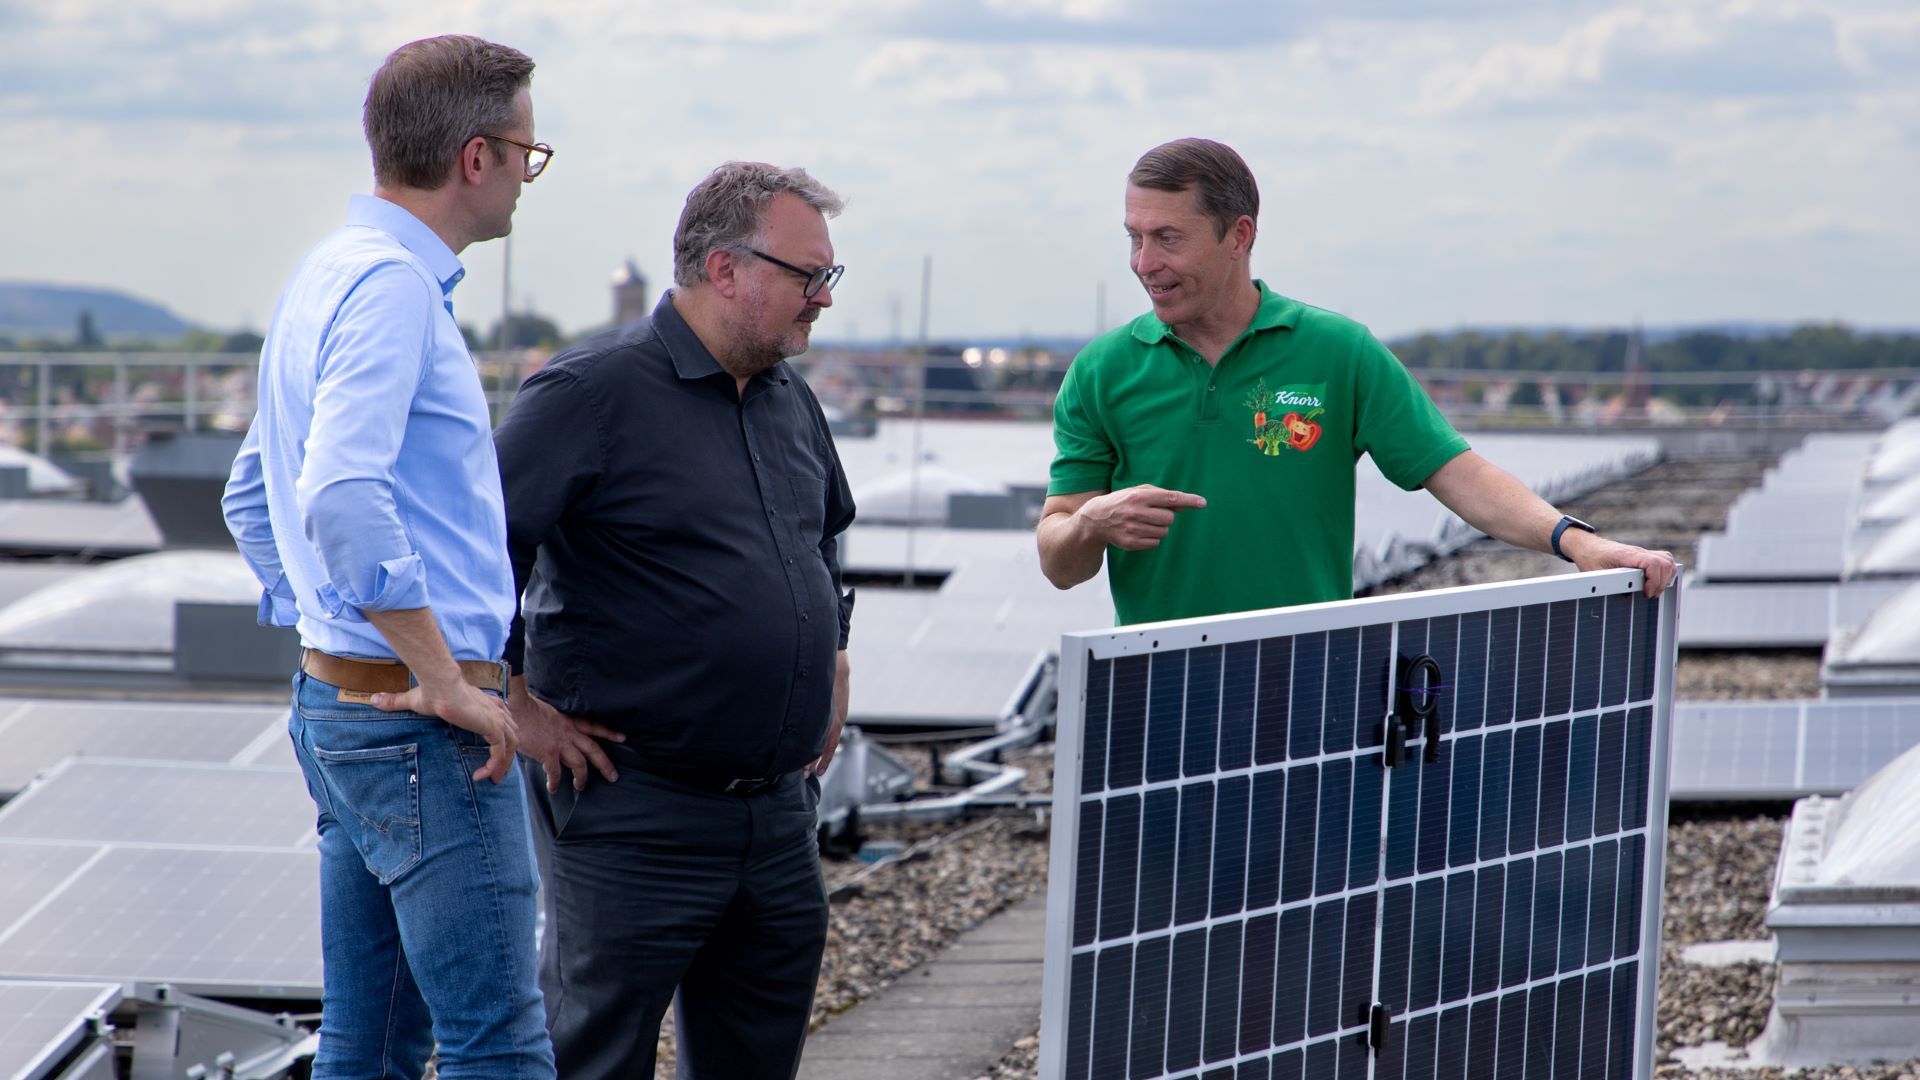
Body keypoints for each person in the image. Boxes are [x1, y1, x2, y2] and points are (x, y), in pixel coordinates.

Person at [220, 35, 556, 1079]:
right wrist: (440, 677)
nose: (526, 179)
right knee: (499, 1046)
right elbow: (339, 496)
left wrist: (328, 632)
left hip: (349, 711)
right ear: (475, 156)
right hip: (417, 729)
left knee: (368, 1048)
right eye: (527, 155)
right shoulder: (393, 290)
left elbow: (252, 494)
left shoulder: (329, 272)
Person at [492, 161, 856, 1080]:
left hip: (777, 816)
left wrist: (834, 649)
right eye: (807, 276)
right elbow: (479, 549)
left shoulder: (788, 398)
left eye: (828, 278)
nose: (821, 299)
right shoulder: (588, 392)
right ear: (726, 269)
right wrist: (517, 703)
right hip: (633, 808)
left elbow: (827, 536)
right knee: (594, 1055)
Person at [1038, 137, 1677, 623]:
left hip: (1307, 681)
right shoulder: (1103, 371)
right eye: (1135, 238)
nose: (1144, 263)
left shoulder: (1337, 352)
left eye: (1167, 238)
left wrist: (1575, 542)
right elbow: (1059, 559)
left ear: (1240, 236)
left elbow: (1460, 476)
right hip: (1153, 694)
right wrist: (1090, 523)